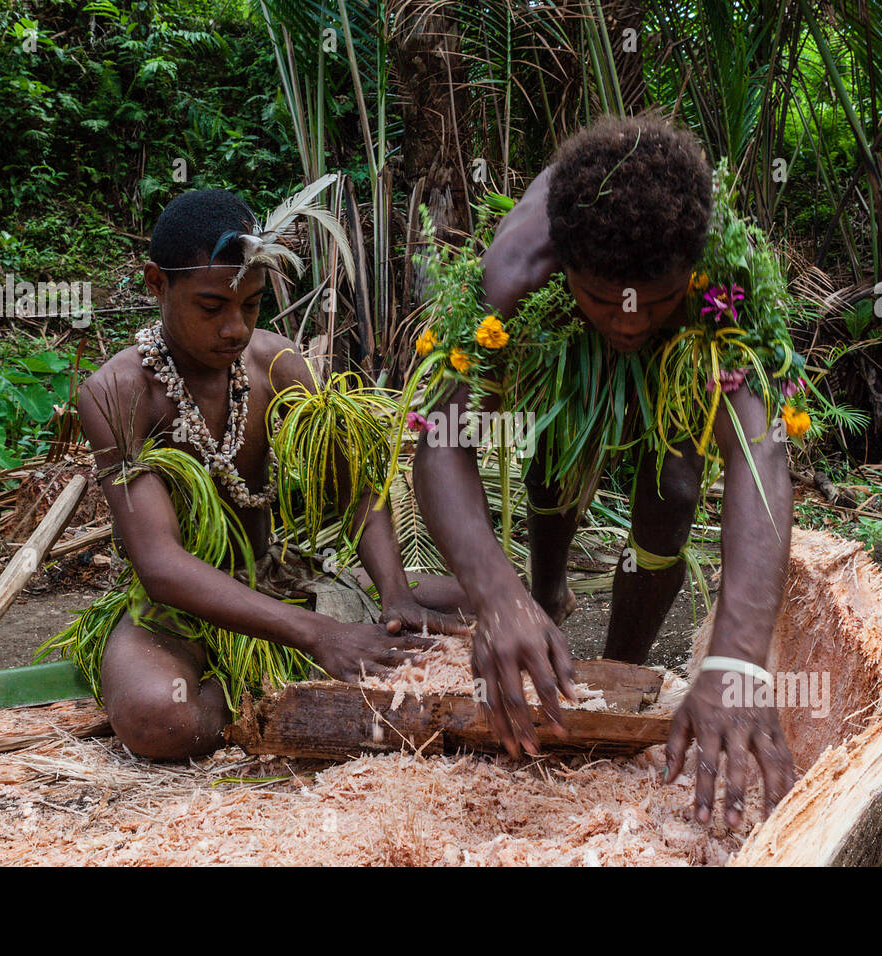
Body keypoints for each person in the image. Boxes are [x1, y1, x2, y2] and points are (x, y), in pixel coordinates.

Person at [411, 114, 800, 825]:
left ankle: (615, 674)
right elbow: (440, 441)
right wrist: (496, 595)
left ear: (692, 270)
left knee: (675, 491)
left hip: (679, 348)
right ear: (563, 267)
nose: (625, 324)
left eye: (652, 301)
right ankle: (546, 593)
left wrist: (739, 662)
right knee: (558, 460)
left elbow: (761, 451)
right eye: (608, 301)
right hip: (557, 336)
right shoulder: (516, 271)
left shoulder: (718, 285)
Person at [46, 187, 469, 760]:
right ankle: (271, 690)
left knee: (496, 601)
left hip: (282, 581)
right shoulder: (118, 394)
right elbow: (161, 566)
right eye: (211, 307)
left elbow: (356, 489)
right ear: (156, 284)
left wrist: (395, 593)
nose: (235, 329)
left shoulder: (277, 364)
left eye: (250, 304)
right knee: (158, 720)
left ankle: (346, 631)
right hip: (180, 612)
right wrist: (321, 635)